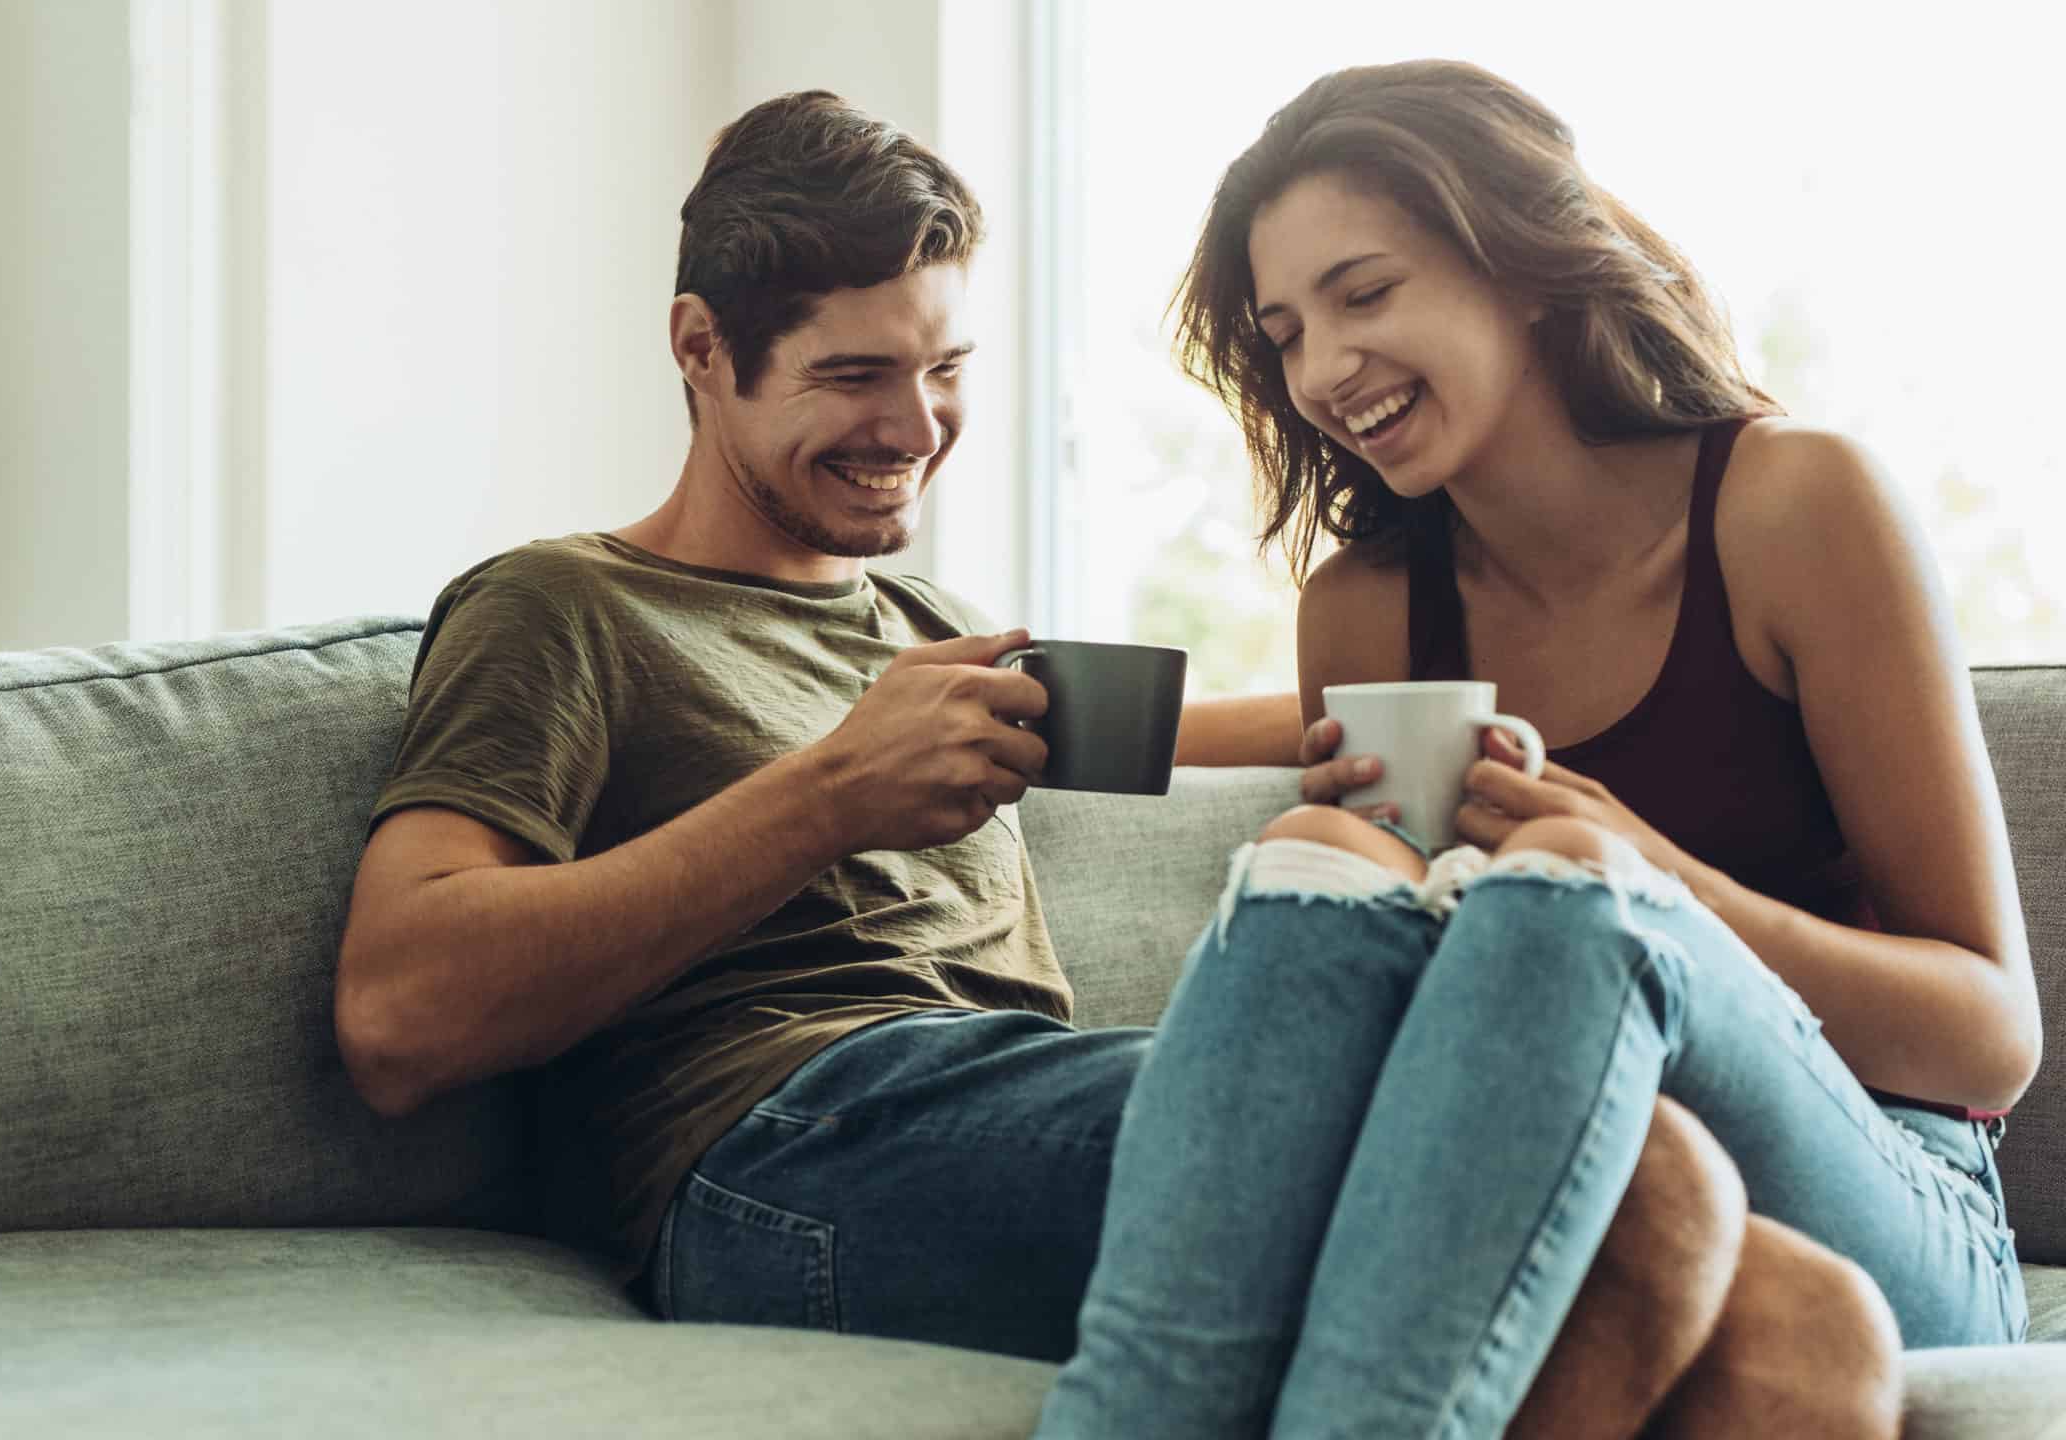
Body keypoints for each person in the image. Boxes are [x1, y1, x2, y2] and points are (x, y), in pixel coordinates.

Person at [337, 89, 1831, 1437]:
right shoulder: (563, 607)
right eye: (856, 375)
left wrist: (1517, 726)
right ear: (700, 350)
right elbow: (401, 1012)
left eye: (946, 368)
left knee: (1782, 1309)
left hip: (1032, 1096)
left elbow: (1224, 728)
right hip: (791, 1149)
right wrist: (833, 794)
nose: (915, 428)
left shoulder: (938, 633)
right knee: (1642, 1183)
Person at [1034, 59, 2038, 1438]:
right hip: (1595, 1173)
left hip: (1894, 1178)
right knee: (1322, 856)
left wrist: (1656, 882)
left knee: (1572, 878)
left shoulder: (1793, 507)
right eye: (1282, 332)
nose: (1323, 370)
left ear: (1526, 265)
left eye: (1365, 294)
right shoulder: (1370, 611)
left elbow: (1988, 1041)